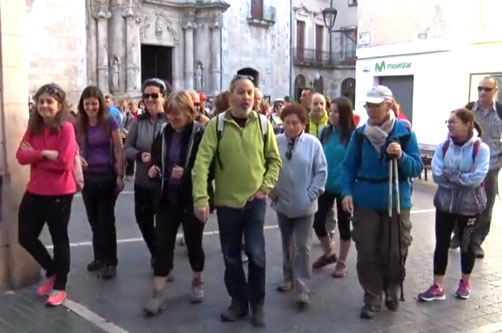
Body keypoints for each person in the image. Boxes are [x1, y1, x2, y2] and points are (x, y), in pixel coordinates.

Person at [192, 75, 282, 327]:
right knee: (231, 257)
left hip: (254, 203)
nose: (246, 98)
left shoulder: (264, 125)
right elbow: (201, 164)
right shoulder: (216, 126)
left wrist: (265, 187)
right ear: (231, 95)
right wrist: (201, 198)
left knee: (256, 255)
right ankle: (239, 302)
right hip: (226, 205)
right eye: (241, 92)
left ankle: (258, 303)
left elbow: (274, 160)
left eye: (250, 93)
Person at [341, 85, 423, 319]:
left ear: (388, 105)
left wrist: (402, 156)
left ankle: (393, 286)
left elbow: (416, 168)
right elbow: (349, 167)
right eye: (369, 105)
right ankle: (372, 295)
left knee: (396, 249)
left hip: (397, 199)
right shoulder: (360, 134)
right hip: (366, 198)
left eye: (376, 105)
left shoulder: (404, 132)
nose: (371, 110)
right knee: (367, 250)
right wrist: (346, 192)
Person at [143, 90, 208, 315]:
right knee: (163, 245)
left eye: (177, 115)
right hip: (167, 197)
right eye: (169, 114)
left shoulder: (200, 133)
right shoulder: (164, 131)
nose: (172, 119)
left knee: (193, 243)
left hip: (191, 198)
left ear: (189, 112)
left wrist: (187, 173)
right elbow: (156, 157)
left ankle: (197, 280)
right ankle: (158, 294)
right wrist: (155, 168)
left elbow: (207, 167)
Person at [16, 83, 79, 306]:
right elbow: (20, 157)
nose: (44, 106)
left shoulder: (67, 129)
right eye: (41, 101)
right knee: (25, 236)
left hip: (59, 193)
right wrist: (43, 153)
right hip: (35, 190)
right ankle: (53, 271)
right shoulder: (34, 128)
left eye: (49, 102)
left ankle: (60, 286)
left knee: (59, 239)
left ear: (59, 105)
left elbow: (63, 162)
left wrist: (35, 156)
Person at [418, 109, 489, 302]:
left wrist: (452, 176)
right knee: (441, 244)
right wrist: (459, 178)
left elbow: (477, 179)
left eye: (453, 122)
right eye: (447, 122)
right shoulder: (443, 147)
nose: (449, 125)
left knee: (467, 246)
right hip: (445, 205)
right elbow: (438, 175)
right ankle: (437, 286)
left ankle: (465, 282)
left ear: (468, 125)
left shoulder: (481, 149)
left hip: (469, 207)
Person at [271, 104, 327, 308]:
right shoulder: (275, 142)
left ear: (303, 124)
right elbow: (267, 166)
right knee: (287, 243)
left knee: (303, 247)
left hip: (305, 205)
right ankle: (288, 277)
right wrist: (271, 190)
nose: (290, 126)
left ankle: (303, 287)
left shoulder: (313, 144)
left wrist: (311, 194)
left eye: (295, 123)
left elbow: (321, 172)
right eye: (287, 123)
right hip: (282, 202)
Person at [77, 86, 125, 280]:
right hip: (88, 177)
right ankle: (99, 257)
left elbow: (119, 149)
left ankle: (110, 262)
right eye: (87, 104)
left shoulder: (109, 121)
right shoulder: (80, 123)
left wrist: (120, 175)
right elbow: (73, 146)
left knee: (106, 221)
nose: (91, 108)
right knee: (94, 221)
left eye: (94, 104)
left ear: (100, 104)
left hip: (106, 176)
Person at [452, 76, 502, 258]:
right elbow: (454, 132)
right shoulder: (468, 109)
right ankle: (457, 236)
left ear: (495, 91)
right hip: (467, 166)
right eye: (480, 88)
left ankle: (476, 242)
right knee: (460, 201)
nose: (482, 92)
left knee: (485, 206)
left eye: (487, 89)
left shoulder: (501, 112)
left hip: (490, 168)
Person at [124, 78, 169, 268]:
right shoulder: (138, 122)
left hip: (164, 183)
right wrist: (139, 155)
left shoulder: (171, 120)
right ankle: (156, 252)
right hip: (143, 181)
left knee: (164, 223)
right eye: (146, 96)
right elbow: (127, 148)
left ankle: (163, 259)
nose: (150, 99)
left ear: (164, 97)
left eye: (154, 95)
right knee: (143, 220)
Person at [312, 96, 356, 278]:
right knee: (318, 222)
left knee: (344, 227)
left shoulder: (353, 136)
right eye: (331, 111)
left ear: (345, 114)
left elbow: (355, 163)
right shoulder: (325, 132)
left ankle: (342, 262)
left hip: (345, 188)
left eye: (336, 111)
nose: (332, 114)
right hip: (326, 185)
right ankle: (329, 253)